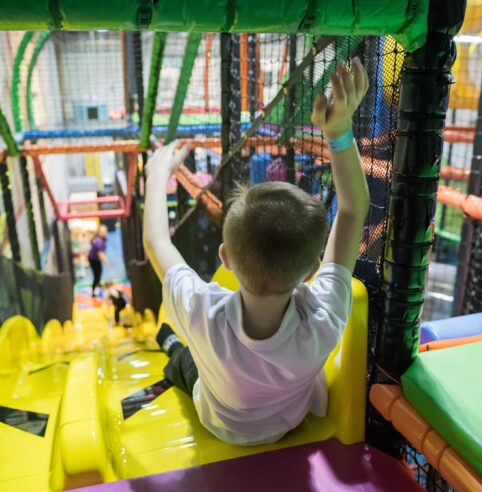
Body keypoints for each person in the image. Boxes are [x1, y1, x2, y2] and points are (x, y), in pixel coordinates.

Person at [143, 58, 370, 446]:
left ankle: (169, 343)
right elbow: (352, 208)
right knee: (195, 356)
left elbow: (156, 243)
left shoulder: (202, 311)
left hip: (219, 422)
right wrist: (340, 132)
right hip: (287, 423)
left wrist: (156, 176)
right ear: (311, 270)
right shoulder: (321, 321)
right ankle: (172, 343)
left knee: (185, 363)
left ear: (225, 259)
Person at [88, 224, 108, 297]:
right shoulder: (99, 241)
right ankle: (93, 291)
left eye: (105, 231)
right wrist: (105, 261)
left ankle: (97, 285)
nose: (104, 233)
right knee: (97, 275)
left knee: (99, 272)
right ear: (99, 232)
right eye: (102, 232)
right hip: (93, 260)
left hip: (95, 259)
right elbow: (100, 253)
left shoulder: (99, 238)